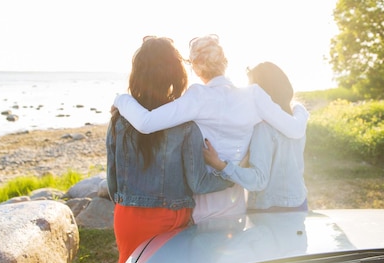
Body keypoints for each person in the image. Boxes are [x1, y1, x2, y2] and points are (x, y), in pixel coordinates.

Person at [113, 35, 309, 223]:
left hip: (202, 202)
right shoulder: (254, 96)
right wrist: (300, 110)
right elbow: (295, 130)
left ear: (196, 69)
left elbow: (146, 123)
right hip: (235, 198)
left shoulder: (197, 97)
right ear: (224, 61)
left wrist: (121, 99)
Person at [106, 36, 231, 263]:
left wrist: (129, 202)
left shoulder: (119, 119)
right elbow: (199, 184)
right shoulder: (185, 124)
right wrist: (233, 175)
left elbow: (112, 181)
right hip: (170, 219)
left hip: (127, 218)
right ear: (176, 74)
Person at [203, 61, 308, 212]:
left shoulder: (263, 127)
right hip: (299, 203)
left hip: (271, 210)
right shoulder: (295, 118)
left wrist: (221, 165)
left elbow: (259, 180)